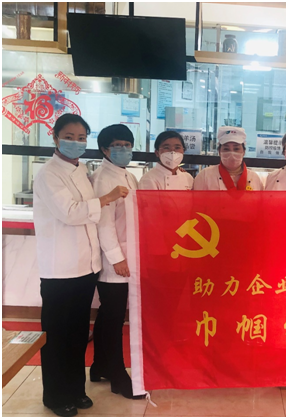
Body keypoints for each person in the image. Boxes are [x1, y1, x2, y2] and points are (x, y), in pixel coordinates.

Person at [33, 114, 128, 417]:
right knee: (57, 335)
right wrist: (106, 198)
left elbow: (90, 217)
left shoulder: (81, 170)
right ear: (55, 137)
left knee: (77, 334)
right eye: (69, 137)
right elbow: (71, 213)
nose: (76, 143)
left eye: (81, 138)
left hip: (86, 267)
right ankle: (55, 396)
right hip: (60, 269)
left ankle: (75, 389)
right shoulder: (48, 174)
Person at [89, 125, 145, 400]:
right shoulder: (102, 178)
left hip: (128, 256)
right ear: (104, 149)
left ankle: (100, 365)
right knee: (113, 318)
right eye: (117, 145)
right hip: (115, 262)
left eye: (127, 144)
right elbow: (104, 224)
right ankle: (118, 376)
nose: (124, 149)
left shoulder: (129, 175)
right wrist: (117, 258)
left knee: (109, 314)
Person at [193, 126, 263, 191]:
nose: (231, 153)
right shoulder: (205, 176)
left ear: (243, 152)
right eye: (226, 149)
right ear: (219, 152)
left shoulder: (254, 178)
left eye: (236, 149)